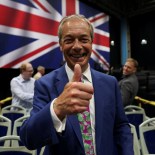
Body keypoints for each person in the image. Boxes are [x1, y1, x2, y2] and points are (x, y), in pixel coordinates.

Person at [20, 14, 134, 155]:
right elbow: (29, 139)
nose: (77, 46)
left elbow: (121, 126)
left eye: (83, 39)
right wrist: (57, 109)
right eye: (69, 40)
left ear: (91, 43)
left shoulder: (110, 83)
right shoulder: (45, 84)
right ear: (61, 45)